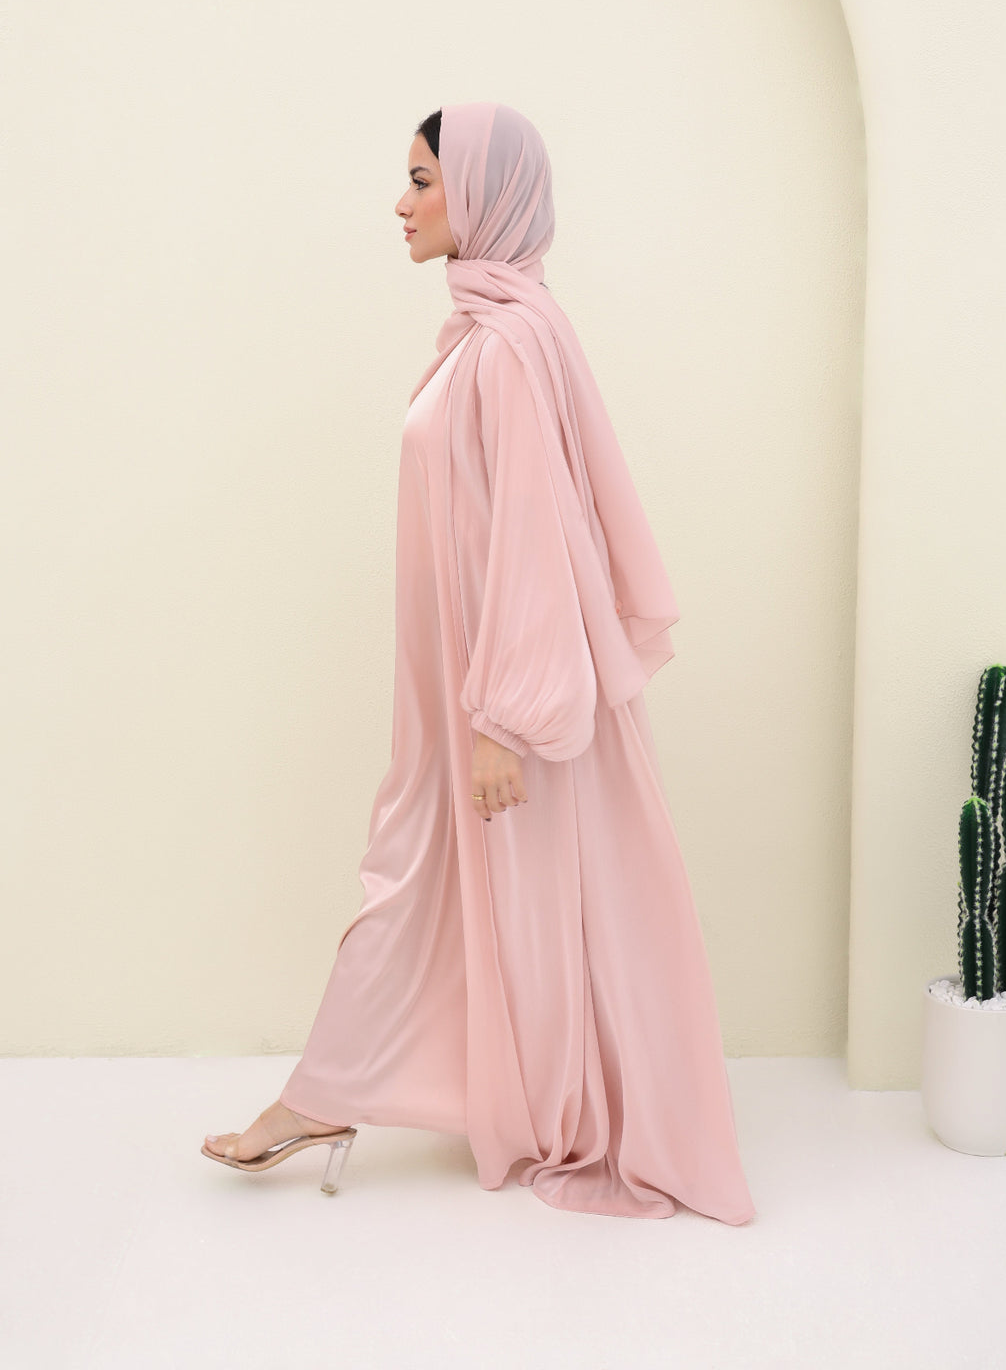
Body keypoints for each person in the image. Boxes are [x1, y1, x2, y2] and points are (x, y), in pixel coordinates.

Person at [202, 102, 756, 1223]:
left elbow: (536, 540)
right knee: (426, 875)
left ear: (484, 194)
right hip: (458, 686)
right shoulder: (490, 331)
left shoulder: (506, 345)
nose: (400, 203)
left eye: (421, 180)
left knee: (451, 883)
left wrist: (504, 717)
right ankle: (336, 1095)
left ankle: (328, 1101)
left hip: (499, 700)